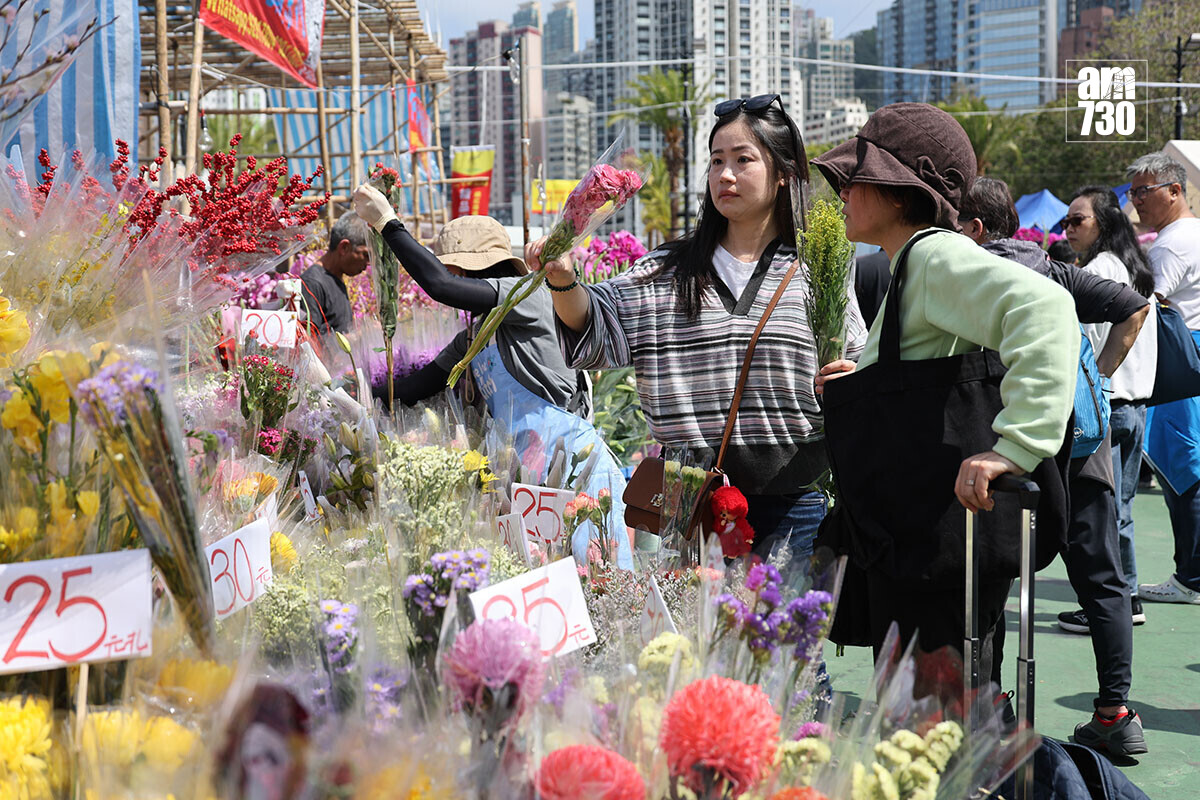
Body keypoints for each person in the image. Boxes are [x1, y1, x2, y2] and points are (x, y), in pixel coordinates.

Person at [811, 103, 1078, 693]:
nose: (846, 189)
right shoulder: (913, 263)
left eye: (862, 176)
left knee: (933, 726)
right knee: (948, 717)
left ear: (905, 189)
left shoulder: (932, 255)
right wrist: (864, 372)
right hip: (934, 547)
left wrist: (1017, 445)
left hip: (931, 550)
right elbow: (932, 366)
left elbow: (1047, 309)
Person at [528, 94, 867, 557]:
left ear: (785, 174)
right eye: (716, 161)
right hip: (686, 501)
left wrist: (849, 379)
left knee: (783, 627)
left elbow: (858, 361)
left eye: (743, 160)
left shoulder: (816, 270)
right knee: (691, 629)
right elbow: (594, 324)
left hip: (792, 503)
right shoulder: (667, 271)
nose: (725, 175)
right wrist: (564, 280)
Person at [959, 177, 1150, 755]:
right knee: (1102, 580)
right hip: (1080, 443)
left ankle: (994, 709)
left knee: (991, 573)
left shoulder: (965, 276)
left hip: (1003, 449)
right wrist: (1096, 372)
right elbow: (1136, 307)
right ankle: (1115, 712)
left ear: (969, 229)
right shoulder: (1053, 270)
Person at [345, 196, 586, 415]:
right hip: (523, 449)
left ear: (470, 269)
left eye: (451, 270)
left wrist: (388, 224)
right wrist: (353, 395)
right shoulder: (475, 336)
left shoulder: (527, 295)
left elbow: (441, 286)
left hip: (561, 446)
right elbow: (420, 385)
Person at [1062, 185, 1158, 630]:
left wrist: (1096, 378)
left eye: (1077, 220)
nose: (1068, 228)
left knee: (1102, 515)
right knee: (1122, 508)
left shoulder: (1100, 269)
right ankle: (1129, 594)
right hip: (1137, 402)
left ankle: (1115, 601)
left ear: (1103, 223)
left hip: (1110, 403)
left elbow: (1087, 341)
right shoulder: (1133, 267)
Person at [1127, 152, 1200, 607]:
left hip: (1181, 362)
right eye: (1132, 192)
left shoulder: (1172, 244)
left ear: (1175, 190)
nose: (1136, 201)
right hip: (1191, 357)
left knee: (1183, 468)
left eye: (1143, 191)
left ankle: (1191, 576)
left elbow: (1140, 306)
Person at [299, 212, 371, 334]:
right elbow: (309, 342)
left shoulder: (336, 279)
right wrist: (359, 336)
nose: (368, 263)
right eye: (365, 255)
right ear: (344, 247)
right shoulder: (312, 284)